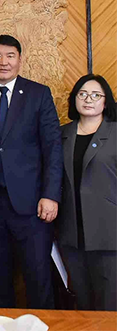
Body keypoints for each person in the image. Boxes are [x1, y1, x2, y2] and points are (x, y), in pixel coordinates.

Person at [0, 35, 62, 309]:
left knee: (38, 279)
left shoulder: (38, 93)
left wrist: (51, 195)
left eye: (10, 56)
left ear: (20, 59)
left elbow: (52, 147)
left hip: (32, 206)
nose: (3, 62)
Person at [57, 74, 117, 311]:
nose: (88, 99)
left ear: (106, 101)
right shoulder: (62, 135)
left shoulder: (115, 133)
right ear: (74, 100)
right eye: (82, 94)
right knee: (80, 302)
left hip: (108, 231)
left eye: (96, 95)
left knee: (108, 302)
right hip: (71, 232)